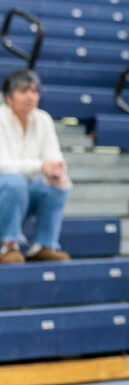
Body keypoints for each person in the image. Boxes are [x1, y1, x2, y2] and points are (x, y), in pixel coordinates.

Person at [0, 70, 72, 264]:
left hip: (22, 192)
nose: (30, 96)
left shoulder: (43, 119)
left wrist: (56, 172)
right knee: (14, 182)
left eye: (34, 91)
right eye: (23, 91)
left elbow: (53, 159)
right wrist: (42, 166)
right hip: (6, 190)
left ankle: (44, 246)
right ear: (9, 97)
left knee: (59, 184)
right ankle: (8, 246)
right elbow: (3, 166)